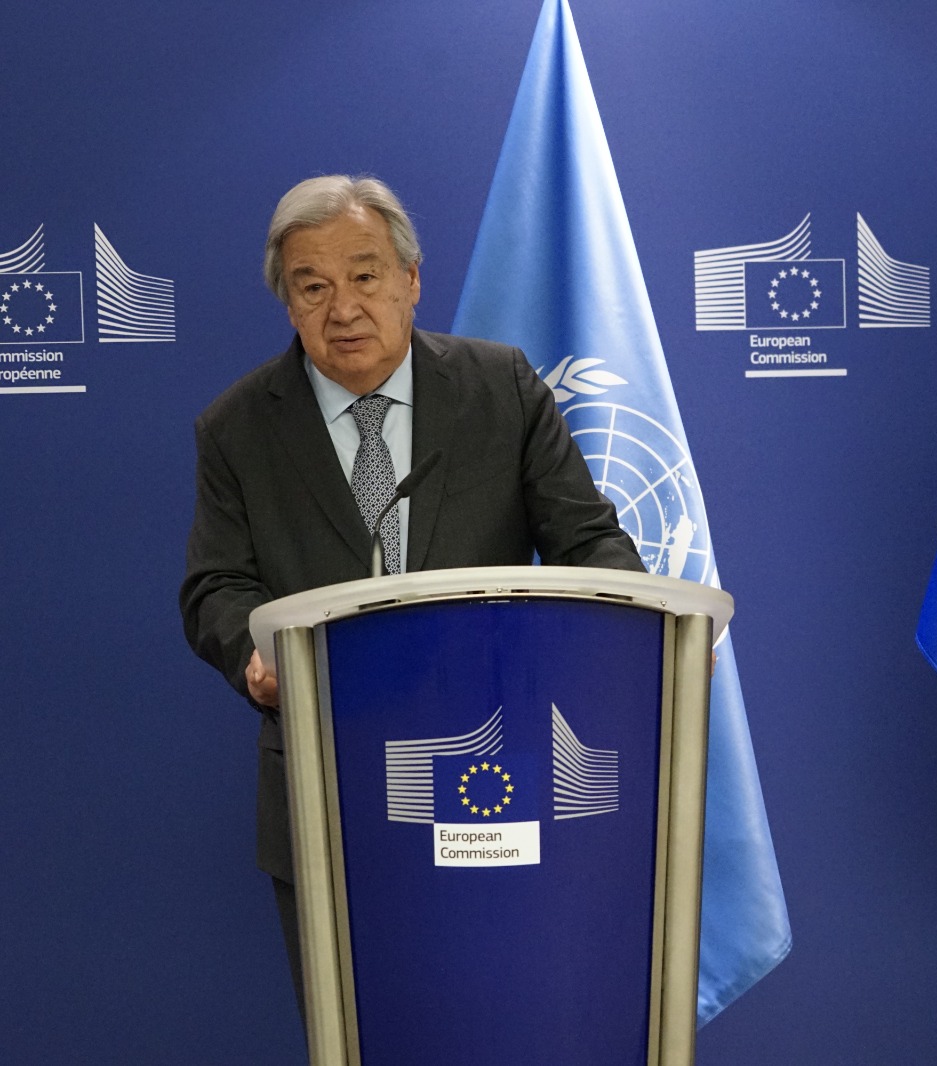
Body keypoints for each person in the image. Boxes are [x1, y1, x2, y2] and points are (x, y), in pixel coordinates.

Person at [179, 174, 644, 1012]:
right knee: (364, 1032)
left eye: (365, 276)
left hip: (500, 777)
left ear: (411, 279)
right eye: (312, 287)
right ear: (288, 303)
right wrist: (253, 656)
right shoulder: (238, 427)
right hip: (329, 792)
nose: (343, 308)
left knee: (508, 1025)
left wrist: (634, 633)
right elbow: (217, 583)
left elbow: (591, 543)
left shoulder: (501, 388)